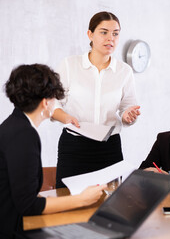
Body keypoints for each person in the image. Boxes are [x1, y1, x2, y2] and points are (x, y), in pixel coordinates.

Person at [0, 64, 107, 239]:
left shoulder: (14, 125)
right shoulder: (23, 135)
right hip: (12, 231)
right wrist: (82, 199)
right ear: (45, 102)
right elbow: (28, 205)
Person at [52, 11, 140, 188]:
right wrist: (66, 118)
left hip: (109, 148)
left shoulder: (124, 71)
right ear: (90, 34)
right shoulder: (70, 65)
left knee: (109, 203)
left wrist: (127, 116)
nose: (111, 38)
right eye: (104, 32)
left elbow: (127, 106)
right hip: (74, 146)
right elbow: (52, 103)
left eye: (115, 33)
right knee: (68, 200)